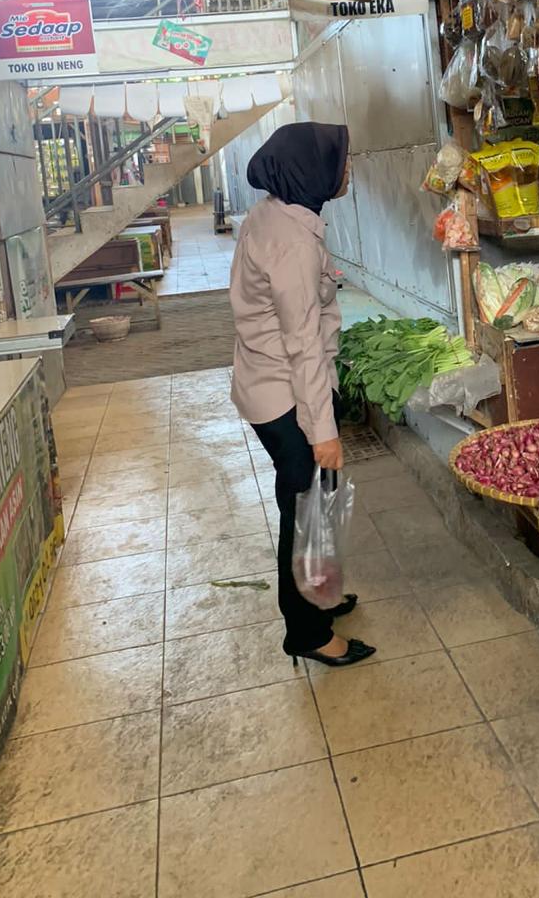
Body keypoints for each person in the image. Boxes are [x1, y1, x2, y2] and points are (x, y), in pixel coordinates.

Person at [229, 122, 376, 669]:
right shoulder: (291, 242)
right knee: (304, 508)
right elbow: (304, 346)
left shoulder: (279, 213)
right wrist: (323, 432)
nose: (347, 169)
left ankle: (320, 594)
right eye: (341, 161)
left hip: (272, 382)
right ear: (310, 171)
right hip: (286, 394)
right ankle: (307, 631)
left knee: (315, 503)